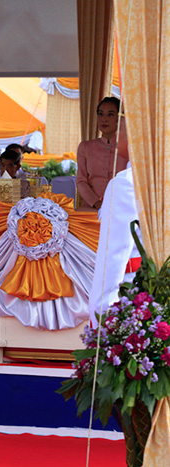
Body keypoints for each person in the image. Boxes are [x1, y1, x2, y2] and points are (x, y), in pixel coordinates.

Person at [88, 117, 138, 326]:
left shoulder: (125, 184)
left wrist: (100, 316)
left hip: (134, 296)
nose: (116, 135)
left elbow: (113, 258)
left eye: (122, 128)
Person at [76, 97, 128, 210]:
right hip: (91, 208)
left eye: (110, 114)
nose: (104, 119)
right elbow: (81, 181)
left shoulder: (128, 149)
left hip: (121, 208)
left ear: (119, 119)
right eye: (100, 114)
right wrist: (97, 204)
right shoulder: (85, 147)